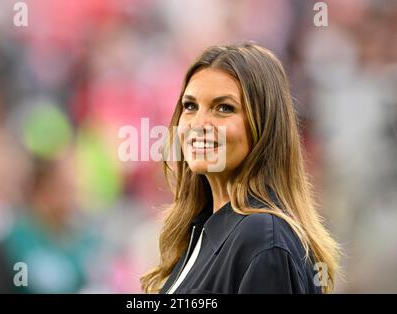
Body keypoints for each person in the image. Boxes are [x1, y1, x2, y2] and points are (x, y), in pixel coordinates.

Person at [140, 42, 341, 294]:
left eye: (224, 108)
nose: (198, 123)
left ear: (265, 127)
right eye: (190, 106)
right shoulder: (204, 229)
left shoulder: (263, 238)